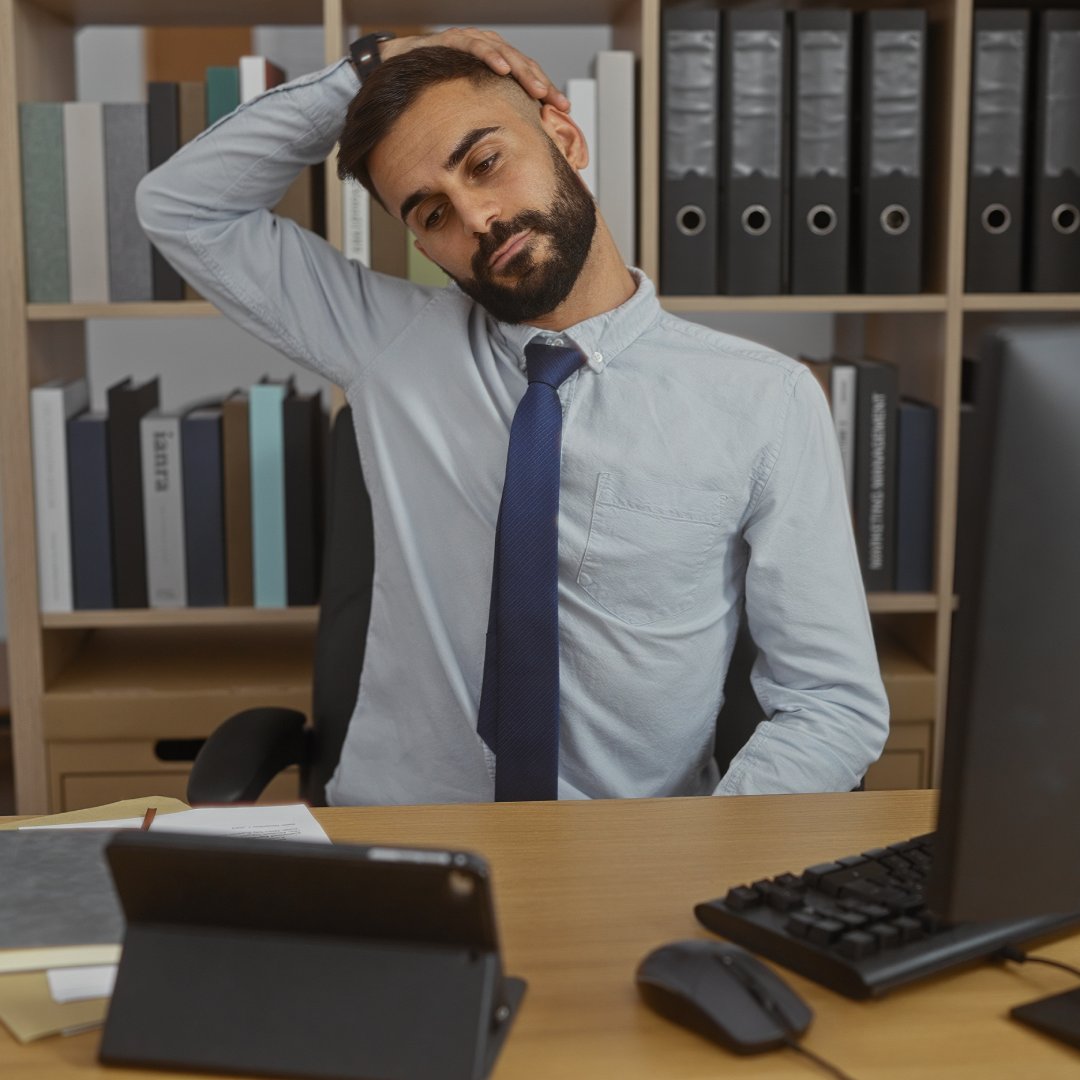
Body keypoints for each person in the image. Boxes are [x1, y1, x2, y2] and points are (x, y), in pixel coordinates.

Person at [136, 28, 889, 805]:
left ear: (563, 135)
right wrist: (367, 68)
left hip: (627, 855)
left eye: (485, 162)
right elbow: (181, 208)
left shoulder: (763, 400)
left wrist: (703, 853)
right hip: (395, 839)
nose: (476, 218)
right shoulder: (389, 345)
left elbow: (832, 705)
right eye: (431, 214)